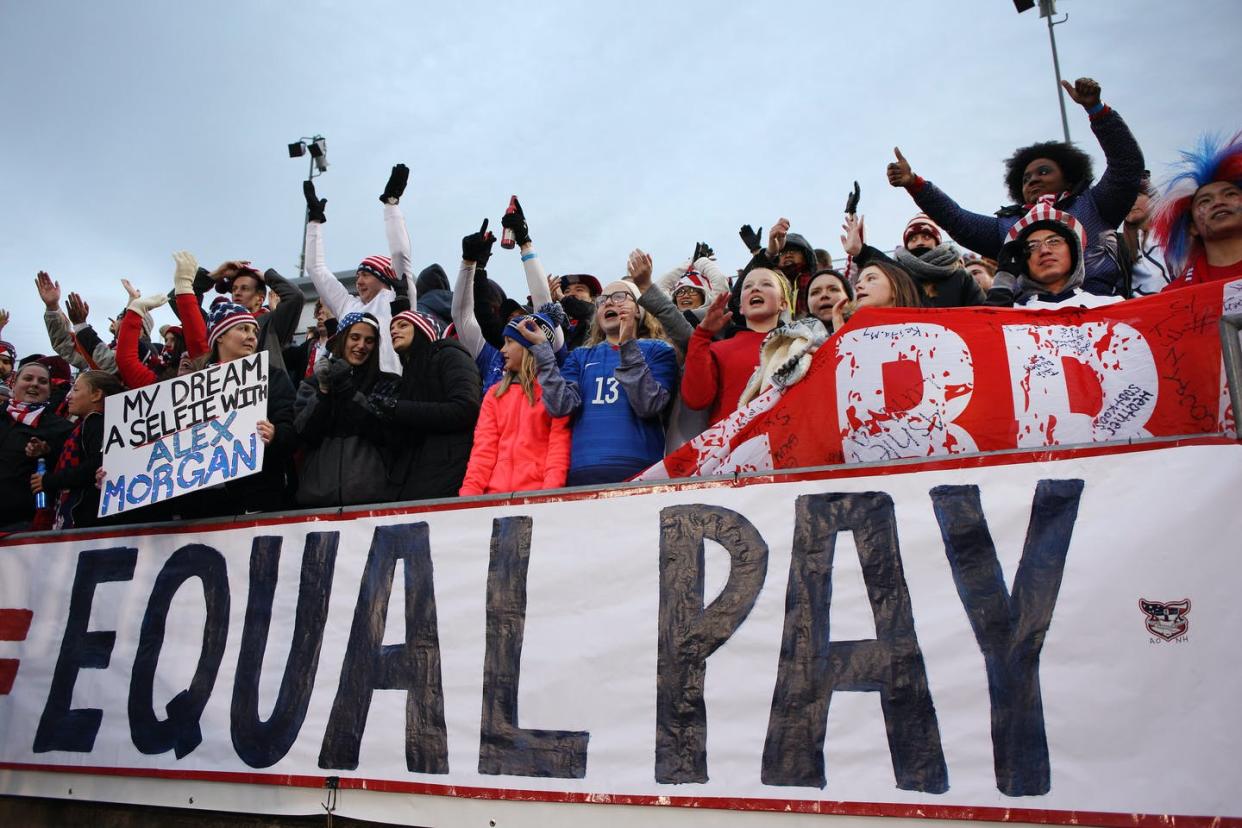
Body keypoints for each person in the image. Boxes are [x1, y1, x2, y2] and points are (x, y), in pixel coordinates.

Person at [887, 76, 1145, 296]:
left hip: (1103, 318)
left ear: (1069, 178)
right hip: (1033, 329)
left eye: (1043, 171)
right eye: (1025, 178)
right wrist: (915, 184)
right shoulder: (1007, 227)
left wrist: (1098, 112)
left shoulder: (1094, 205)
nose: (1032, 179)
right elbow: (956, 220)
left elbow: (1126, 166)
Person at [524, 278, 677, 485]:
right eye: (603, 300)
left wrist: (628, 344)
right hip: (582, 473)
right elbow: (560, 406)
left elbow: (648, 405)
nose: (609, 303)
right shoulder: (580, 356)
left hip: (642, 474)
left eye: (620, 297)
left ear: (639, 311)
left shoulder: (659, 350)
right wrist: (543, 351)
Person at [174, 300, 296, 518]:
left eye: (254, 331)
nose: (251, 336)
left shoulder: (273, 378)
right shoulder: (192, 389)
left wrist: (276, 434)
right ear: (219, 336)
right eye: (242, 328)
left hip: (256, 500)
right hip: (200, 508)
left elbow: (291, 431)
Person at [303, 164, 414, 374]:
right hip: (347, 389)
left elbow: (400, 255)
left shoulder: (397, 300)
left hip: (388, 387)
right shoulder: (347, 306)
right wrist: (315, 222)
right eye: (357, 276)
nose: (359, 281)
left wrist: (391, 204)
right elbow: (315, 268)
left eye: (366, 275)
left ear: (384, 277)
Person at [458, 312, 571, 496]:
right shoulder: (495, 394)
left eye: (510, 342)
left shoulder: (555, 393)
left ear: (530, 347)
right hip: (493, 497)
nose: (502, 350)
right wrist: (468, 497)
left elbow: (558, 452)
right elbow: (482, 452)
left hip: (536, 496)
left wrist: (549, 496)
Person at [451, 206, 562, 390]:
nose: (515, 323)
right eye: (509, 320)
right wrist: (469, 263)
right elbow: (461, 315)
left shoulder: (549, 353)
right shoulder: (492, 356)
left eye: (520, 318)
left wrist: (525, 243)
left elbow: (545, 306)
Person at [293, 312, 396, 507]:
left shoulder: (387, 383)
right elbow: (303, 433)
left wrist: (346, 388)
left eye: (369, 340)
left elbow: (382, 431)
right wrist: (323, 392)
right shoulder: (312, 384)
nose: (361, 346)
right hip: (317, 503)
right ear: (342, 339)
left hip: (372, 503)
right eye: (355, 337)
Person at [378, 309, 481, 501]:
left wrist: (398, 409)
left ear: (421, 330)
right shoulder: (407, 377)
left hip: (448, 469)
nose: (394, 331)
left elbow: (465, 408)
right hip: (413, 475)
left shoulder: (450, 355)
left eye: (402, 325)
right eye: (391, 327)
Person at [682, 268, 791, 424]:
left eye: (766, 284)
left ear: (783, 303)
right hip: (735, 445)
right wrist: (701, 335)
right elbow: (696, 399)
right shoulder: (718, 349)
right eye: (747, 286)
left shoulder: (802, 345)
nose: (755, 288)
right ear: (741, 307)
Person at [30, 370, 125, 529]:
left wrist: (49, 481)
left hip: (87, 521)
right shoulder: (85, 425)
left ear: (96, 395)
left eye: (75, 390)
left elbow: (95, 464)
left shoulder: (96, 422)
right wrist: (48, 452)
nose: (68, 396)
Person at [986, 202, 1123, 309]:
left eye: (1054, 241)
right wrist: (1004, 277)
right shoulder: (1012, 313)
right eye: (1032, 246)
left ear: (1073, 251)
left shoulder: (1114, 307)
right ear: (1023, 262)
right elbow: (985, 335)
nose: (1045, 250)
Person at [1152, 132, 1242, 290]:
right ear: (1192, 226)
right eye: (1205, 201)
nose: (1218, 202)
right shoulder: (1173, 296)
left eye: (1230, 194)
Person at [840, 213, 985, 307]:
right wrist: (861, 252)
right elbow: (896, 271)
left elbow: (982, 314)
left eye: (926, 237)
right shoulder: (899, 276)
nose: (919, 242)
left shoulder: (960, 277)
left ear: (937, 242)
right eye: (913, 239)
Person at [0, 362, 74, 531]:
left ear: (49, 390)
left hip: (21, 526)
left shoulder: (61, 428)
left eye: (42, 381)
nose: (34, 384)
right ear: (13, 383)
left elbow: (69, 472)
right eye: (28, 378)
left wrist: (48, 453)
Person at [830, 261, 924, 331]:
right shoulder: (851, 335)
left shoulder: (928, 333)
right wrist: (840, 336)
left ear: (895, 289)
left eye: (871, 278)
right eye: (858, 282)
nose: (858, 286)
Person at [1120, 179, 1170, 295]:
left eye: (1137, 195)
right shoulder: (1118, 246)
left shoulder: (1177, 235)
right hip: (1139, 310)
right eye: (1124, 197)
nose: (1130, 201)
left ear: (1153, 199)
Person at [804, 269, 853, 334]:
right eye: (815, 292)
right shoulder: (791, 340)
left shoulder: (868, 330)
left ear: (849, 300)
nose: (824, 295)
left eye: (833, 289)